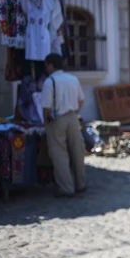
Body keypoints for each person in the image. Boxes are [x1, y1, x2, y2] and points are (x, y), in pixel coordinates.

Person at [41, 53, 86, 197]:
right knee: (77, 151)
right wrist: (73, 111)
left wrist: (46, 123)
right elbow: (81, 100)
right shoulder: (73, 79)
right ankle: (81, 184)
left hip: (57, 119)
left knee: (59, 153)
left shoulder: (50, 82)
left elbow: (46, 107)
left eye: (47, 65)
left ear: (51, 65)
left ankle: (66, 188)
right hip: (73, 117)